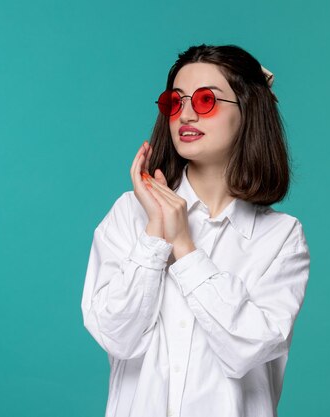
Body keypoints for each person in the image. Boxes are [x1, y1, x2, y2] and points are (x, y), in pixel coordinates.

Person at [81, 44, 311, 417]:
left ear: (249, 110)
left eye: (207, 100)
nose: (186, 114)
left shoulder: (281, 238)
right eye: (176, 101)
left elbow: (247, 348)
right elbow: (115, 336)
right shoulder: (129, 214)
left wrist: (185, 248)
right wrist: (155, 235)